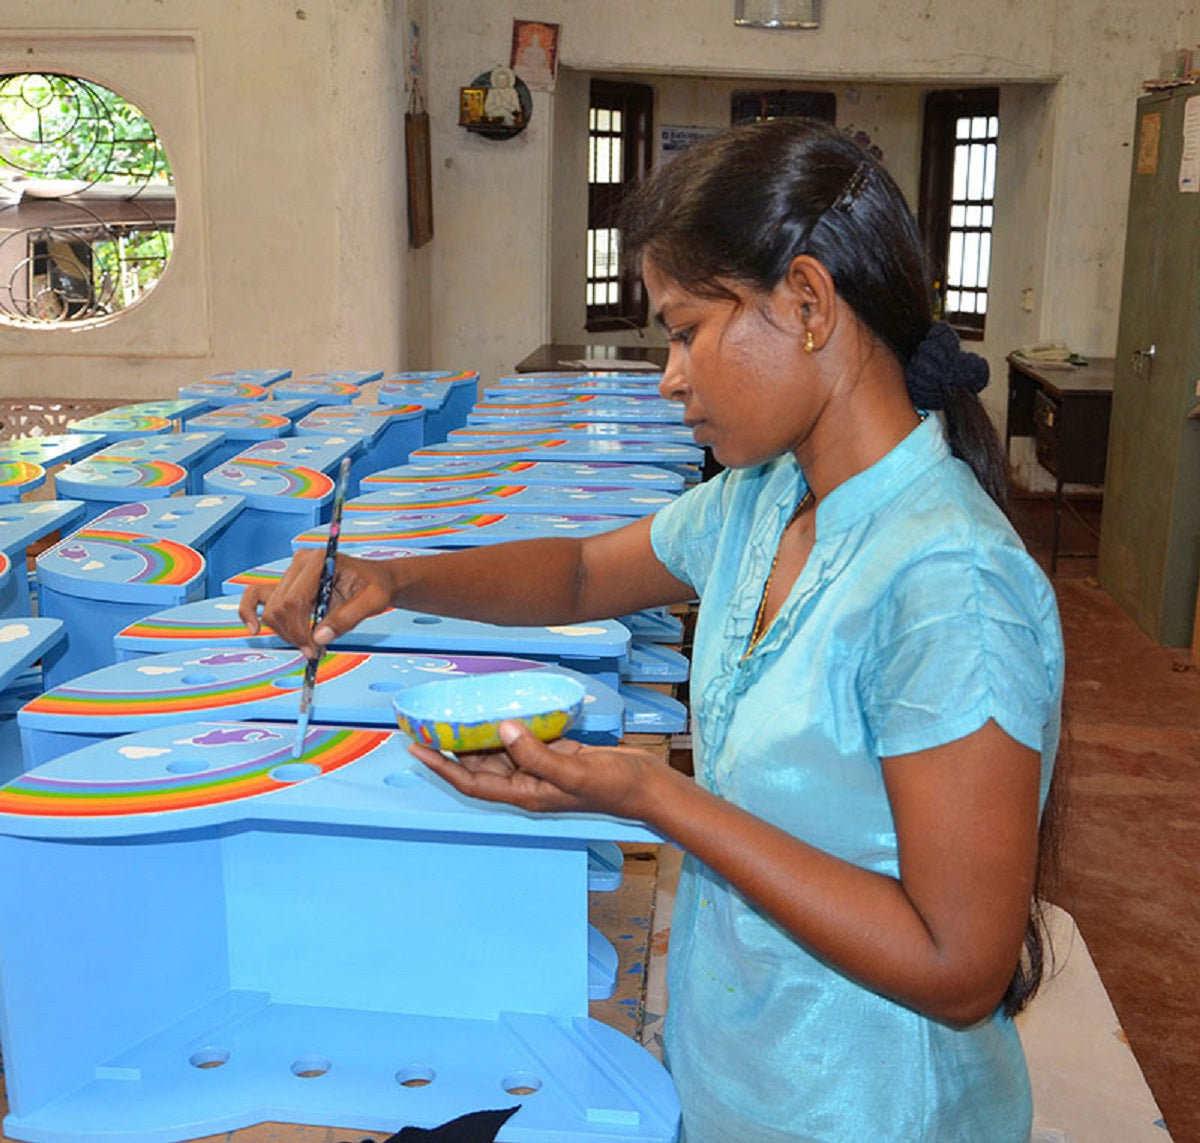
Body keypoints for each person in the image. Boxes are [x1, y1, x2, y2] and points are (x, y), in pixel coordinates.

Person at [241, 118, 1064, 1143]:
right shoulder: (763, 502)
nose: (670, 375)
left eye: (685, 331)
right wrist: (392, 578)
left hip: (872, 1108)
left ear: (807, 304)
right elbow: (584, 570)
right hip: (734, 1082)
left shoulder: (948, 585)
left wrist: (653, 795)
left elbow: (957, 966)